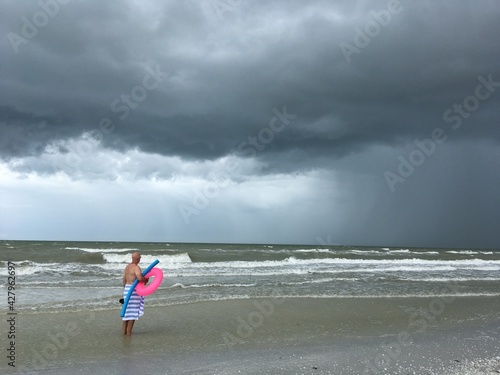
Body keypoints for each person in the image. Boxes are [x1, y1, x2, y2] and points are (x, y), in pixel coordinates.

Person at [122, 252, 149, 336]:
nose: (140, 259)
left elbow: (124, 280)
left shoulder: (127, 267)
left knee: (126, 312)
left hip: (127, 289)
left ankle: (124, 333)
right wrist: (146, 279)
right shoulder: (136, 267)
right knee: (132, 312)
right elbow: (140, 278)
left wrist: (126, 289)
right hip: (133, 290)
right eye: (139, 257)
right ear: (137, 258)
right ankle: (129, 333)